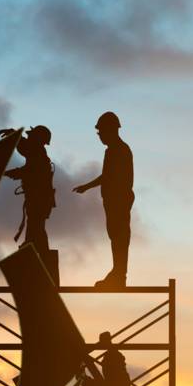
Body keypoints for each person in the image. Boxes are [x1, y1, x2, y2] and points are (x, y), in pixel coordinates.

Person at [73, 111, 134, 289]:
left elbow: (113, 178)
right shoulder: (113, 151)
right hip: (113, 201)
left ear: (111, 130)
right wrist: (87, 186)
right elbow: (106, 176)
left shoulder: (120, 150)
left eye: (101, 132)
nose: (99, 136)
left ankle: (119, 274)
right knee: (116, 237)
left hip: (119, 201)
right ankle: (118, 272)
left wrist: (91, 187)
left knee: (120, 237)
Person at [3, 125, 56, 276]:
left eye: (32, 137)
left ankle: (41, 267)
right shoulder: (37, 153)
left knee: (36, 231)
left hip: (39, 202)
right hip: (38, 201)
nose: (30, 139)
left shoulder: (38, 155)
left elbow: (28, 169)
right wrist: (14, 136)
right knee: (35, 233)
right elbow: (25, 148)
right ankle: (41, 265)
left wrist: (10, 173)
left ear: (38, 140)